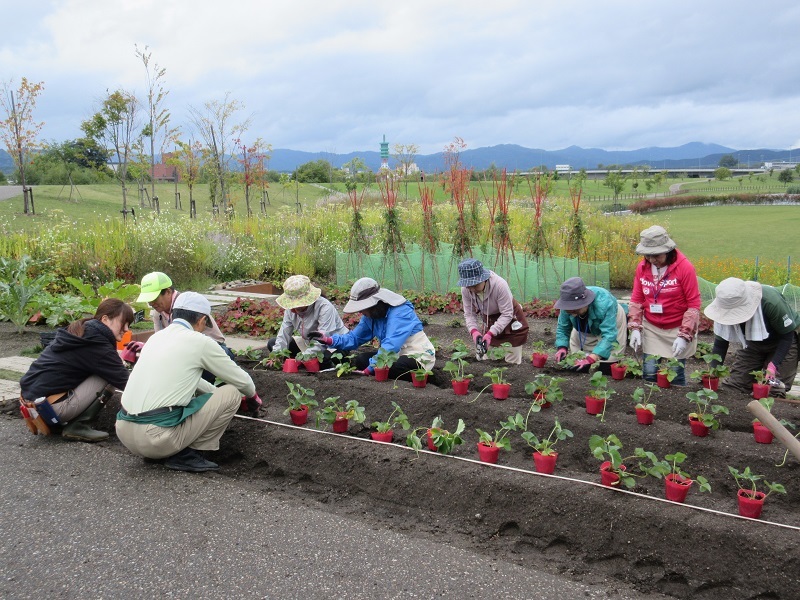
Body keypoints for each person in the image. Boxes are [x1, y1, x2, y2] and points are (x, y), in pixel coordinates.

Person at [116, 292, 262, 472]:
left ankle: (166, 451)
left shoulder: (155, 338)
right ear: (201, 320)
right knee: (232, 393)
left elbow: (195, 381)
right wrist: (252, 397)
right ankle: (188, 454)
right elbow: (244, 382)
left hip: (124, 433)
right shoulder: (200, 341)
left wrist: (214, 395)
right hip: (156, 439)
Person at [19, 299, 134, 442]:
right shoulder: (96, 343)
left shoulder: (80, 330)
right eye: (123, 322)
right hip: (50, 410)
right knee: (108, 374)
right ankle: (79, 426)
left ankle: (63, 422)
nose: (126, 329)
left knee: (107, 367)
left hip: (31, 405)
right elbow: (127, 383)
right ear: (105, 319)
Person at [309, 277, 435, 381]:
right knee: (361, 360)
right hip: (393, 356)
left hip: (417, 355)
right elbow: (354, 338)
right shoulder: (370, 316)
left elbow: (390, 346)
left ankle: (427, 379)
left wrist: (370, 369)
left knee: (393, 367)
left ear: (375, 304)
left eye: (363, 308)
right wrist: (328, 340)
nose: (361, 312)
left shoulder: (399, 312)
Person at [627, 226, 701, 386]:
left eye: (656, 255)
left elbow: (693, 304)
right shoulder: (642, 268)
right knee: (650, 371)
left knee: (675, 374)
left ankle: (678, 405)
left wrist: (684, 335)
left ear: (667, 250)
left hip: (677, 326)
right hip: (652, 326)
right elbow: (637, 299)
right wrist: (634, 327)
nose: (652, 259)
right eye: (648, 255)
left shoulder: (684, 268)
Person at [704, 277, 799, 396]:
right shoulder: (724, 306)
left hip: (782, 342)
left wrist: (773, 365)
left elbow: (787, 336)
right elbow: (720, 345)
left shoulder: (770, 302)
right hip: (752, 342)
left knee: (774, 389)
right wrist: (713, 371)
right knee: (735, 386)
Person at [134, 271, 234, 381]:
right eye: (149, 300)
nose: (151, 303)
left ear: (168, 292)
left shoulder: (187, 305)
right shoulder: (158, 313)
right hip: (185, 353)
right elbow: (160, 341)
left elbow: (189, 343)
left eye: (154, 299)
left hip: (212, 351)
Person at [266, 275, 349, 368]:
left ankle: (309, 362)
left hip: (333, 344)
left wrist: (302, 358)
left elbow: (324, 340)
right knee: (272, 343)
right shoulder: (290, 311)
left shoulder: (324, 307)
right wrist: (276, 355)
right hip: (309, 343)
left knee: (325, 358)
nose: (296, 308)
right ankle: (305, 362)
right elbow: (284, 334)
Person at [457, 258, 529, 364]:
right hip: (490, 321)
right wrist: (474, 332)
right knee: (483, 360)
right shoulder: (465, 289)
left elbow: (507, 314)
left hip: (511, 322)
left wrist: (490, 333)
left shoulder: (499, 285)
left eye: (475, 285)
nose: (472, 289)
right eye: (469, 286)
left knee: (511, 366)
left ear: (484, 278)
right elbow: (469, 314)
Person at [554, 277, 626, 373]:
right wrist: (562, 347)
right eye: (569, 311)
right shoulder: (567, 302)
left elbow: (609, 335)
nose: (573, 314)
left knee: (607, 368)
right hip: (584, 325)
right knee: (579, 364)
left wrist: (593, 357)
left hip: (611, 321)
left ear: (586, 302)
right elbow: (563, 327)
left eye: (575, 310)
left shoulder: (605, 303)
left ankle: (605, 362)